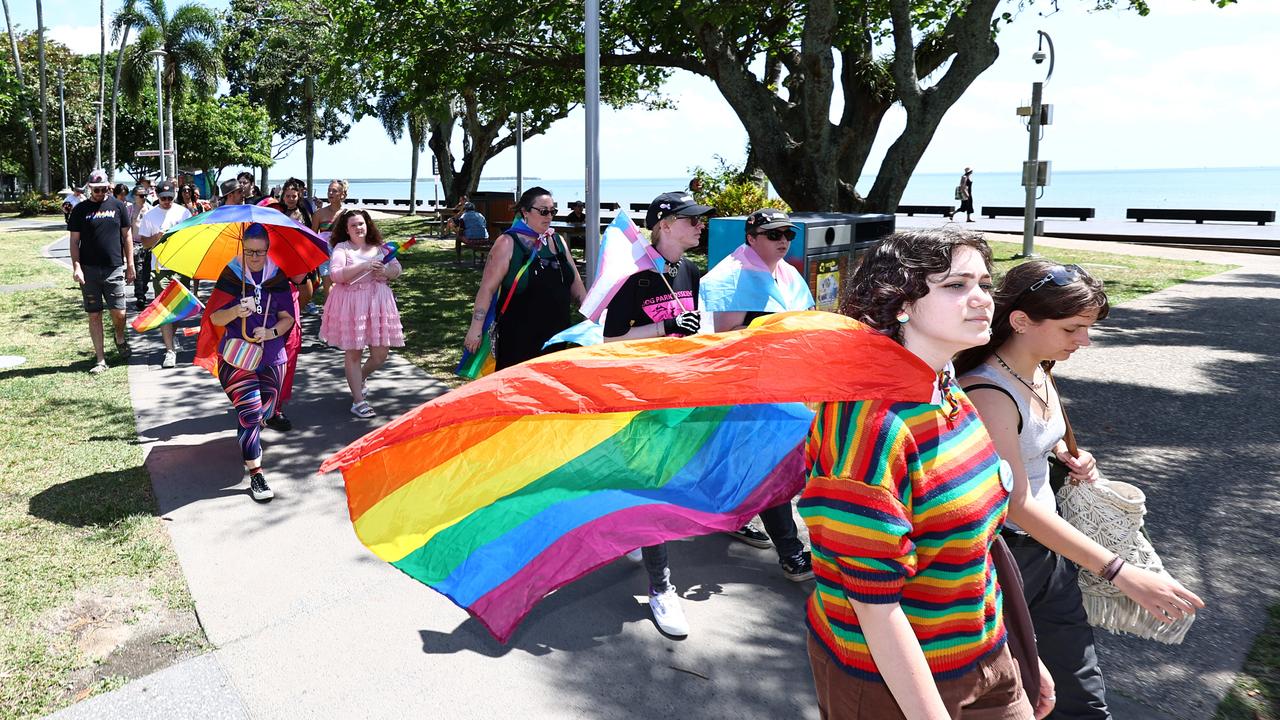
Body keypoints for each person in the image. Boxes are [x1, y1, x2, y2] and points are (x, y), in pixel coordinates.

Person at [798, 229, 1046, 719]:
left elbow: (976, 547)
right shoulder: (868, 426)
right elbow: (875, 605)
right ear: (901, 303)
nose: (981, 300)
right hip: (893, 684)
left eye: (983, 283)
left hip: (986, 656)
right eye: (955, 285)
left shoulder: (948, 391)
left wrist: (1021, 659)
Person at [954, 261, 1205, 720]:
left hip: (1052, 551)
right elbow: (1017, 503)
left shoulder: (1037, 367)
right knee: (1010, 697)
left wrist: (1072, 460)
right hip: (1004, 560)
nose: (1084, 341)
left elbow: (1033, 447)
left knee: (1081, 697)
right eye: (1074, 328)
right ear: (1022, 320)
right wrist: (1121, 572)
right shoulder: (987, 392)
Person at [601, 190, 714, 638]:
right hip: (641, 396)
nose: (699, 226)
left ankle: (634, 534)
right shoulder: (634, 275)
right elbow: (611, 342)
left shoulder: (690, 271)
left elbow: (692, 329)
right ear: (664, 225)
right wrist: (664, 327)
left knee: (666, 482)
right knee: (654, 485)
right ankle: (661, 588)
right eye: (692, 220)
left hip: (680, 391)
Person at [703, 208, 814, 582]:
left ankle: (733, 517)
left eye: (788, 234)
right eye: (773, 234)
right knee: (773, 465)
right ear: (751, 237)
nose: (783, 240)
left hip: (786, 382)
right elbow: (727, 338)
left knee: (751, 461)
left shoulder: (787, 272)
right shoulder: (731, 276)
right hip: (750, 387)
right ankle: (791, 551)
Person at [196, 224, 297, 502]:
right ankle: (256, 474)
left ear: (267, 250)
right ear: (242, 249)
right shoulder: (231, 276)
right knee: (251, 413)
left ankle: (249, 435)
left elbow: (288, 317)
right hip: (237, 358)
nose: (255, 257)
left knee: (263, 413)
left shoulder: (277, 277)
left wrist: (271, 332)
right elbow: (213, 319)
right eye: (250, 252)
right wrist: (234, 311)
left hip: (272, 357)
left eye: (260, 252)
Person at [462, 186, 586, 370]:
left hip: (557, 338)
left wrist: (591, 317)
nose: (549, 216)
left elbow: (575, 284)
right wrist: (475, 329)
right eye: (543, 211)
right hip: (519, 339)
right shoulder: (508, 243)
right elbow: (487, 289)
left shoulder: (557, 241)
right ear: (525, 212)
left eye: (553, 211)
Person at [319, 209, 405, 418]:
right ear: (346, 230)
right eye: (353, 225)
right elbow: (336, 274)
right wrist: (364, 266)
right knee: (354, 352)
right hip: (352, 304)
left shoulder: (380, 247)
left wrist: (385, 272)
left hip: (378, 303)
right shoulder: (341, 248)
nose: (359, 228)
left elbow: (397, 269)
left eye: (361, 224)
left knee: (380, 354)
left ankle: (359, 378)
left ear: (368, 225)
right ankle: (358, 401)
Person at [67, 169, 135, 374]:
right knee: (94, 315)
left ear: (109, 187)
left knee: (120, 312)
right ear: (90, 188)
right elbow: (74, 241)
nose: (99, 193)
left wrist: (130, 264)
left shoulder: (118, 206)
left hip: (114, 268)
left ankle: (120, 337)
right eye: (96, 190)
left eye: (103, 189)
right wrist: (77, 266)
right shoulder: (80, 210)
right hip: (88, 271)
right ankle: (100, 359)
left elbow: (128, 237)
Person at [137, 180, 193, 368]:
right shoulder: (150, 216)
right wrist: (157, 237)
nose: (167, 201)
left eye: (170, 198)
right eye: (163, 198)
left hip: (181, 266)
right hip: (160, 269)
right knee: (163, 310)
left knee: (178, 309)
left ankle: (171, 337)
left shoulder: (183, 213)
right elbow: (144, 243)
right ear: (157, 197)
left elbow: (191, 238)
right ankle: (169, 351)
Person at [309, 179, 348, 312]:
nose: (330, 193)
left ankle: (343, 313)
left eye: (334, 191)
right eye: (329, 190)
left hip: (344, 253)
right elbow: (313, 236)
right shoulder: (319, 214)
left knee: (343, 285)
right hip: (325, 253)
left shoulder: (347, 214)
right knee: (328, 286)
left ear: (343, 195)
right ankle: (330, 315)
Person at [128, 184, 152, 305]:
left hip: (149, 244)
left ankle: (143, 288)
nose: (144, 198)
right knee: (139, 270)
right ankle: (140, 296)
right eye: (141, 196)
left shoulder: (150, 209)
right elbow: (126, 229)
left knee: (147, 272)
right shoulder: (130, 210)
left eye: (145, 195)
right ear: (135, 196)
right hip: (136, 244)